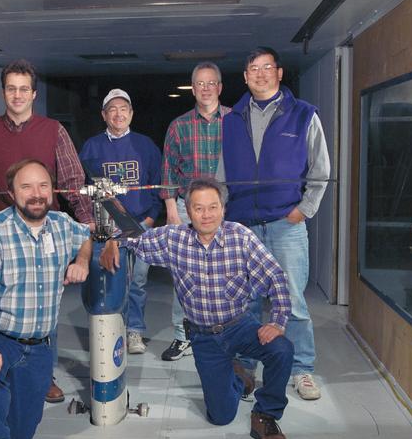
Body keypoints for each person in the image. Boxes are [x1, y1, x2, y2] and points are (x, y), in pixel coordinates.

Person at [101, 178, 293, 439]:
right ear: (188, 211)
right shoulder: (174, 239)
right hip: (204, 337)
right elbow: (135, 238)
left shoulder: (240, 237)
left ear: (223, 209)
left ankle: (267, 415)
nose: (207, 215)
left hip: (239, 326)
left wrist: (277, 321)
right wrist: (113, 241)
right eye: (199, 208)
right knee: (220, 417)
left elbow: (275, 275)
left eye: (213, 207)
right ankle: (238, 378)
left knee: (281, 350)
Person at [0, 58, 93, 404]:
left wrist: (87, 225)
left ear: (33, 94)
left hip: (46, 232)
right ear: (4, 92)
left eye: (23, 89)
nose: (17, 95)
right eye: (11, 89)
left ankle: (42, 377)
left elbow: (73, 182)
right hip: (3, 235)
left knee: (43, 306)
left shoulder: (53, 131)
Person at [0, 159, 92, 439]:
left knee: (22, 434)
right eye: (27, 186)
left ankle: (1, 419)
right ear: (11, 192)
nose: (37, 194)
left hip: (39, 346)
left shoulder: (62, 224)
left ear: (52, 190)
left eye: (43, 185)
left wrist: (83, 261)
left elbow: (86, 237)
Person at [219, 46, 330, 400]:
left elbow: (321, 170)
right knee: (246, 301)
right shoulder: (232, 119)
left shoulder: (303, 115)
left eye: (267, 67)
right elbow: (222, 173)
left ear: (280, 73)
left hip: (286, 223)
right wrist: (221, 216)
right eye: (253, 68)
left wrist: (304, 210)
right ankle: (248, 367)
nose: (261, 73)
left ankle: (302, 370)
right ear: (246, 76)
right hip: (243, 226)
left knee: (293, 300)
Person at [78, 88, 163, 355]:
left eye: (123, 108)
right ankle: (110, 330)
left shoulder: (145, 145)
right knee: (109, 278)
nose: (118, 114)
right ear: (104, 115)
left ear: (131, 113)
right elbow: (84, 186)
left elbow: (156, 183)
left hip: (139, 223)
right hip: (105, 224)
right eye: (112, 109)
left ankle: (134, 330)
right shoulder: (92, 146)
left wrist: (150, 217)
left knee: (137, 281)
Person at [157, 61, 232, 362]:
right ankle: (182, 335)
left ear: (220, 87)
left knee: (226, 275)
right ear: (193, 88)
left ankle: (224, 335)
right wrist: (171, 210)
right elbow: (167, 171)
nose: (205, 88)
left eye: (210, 82)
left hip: (225, 211)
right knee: (185, 275)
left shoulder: (235, 121)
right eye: (199, 83)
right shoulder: (179, 125)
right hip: (187, 211)